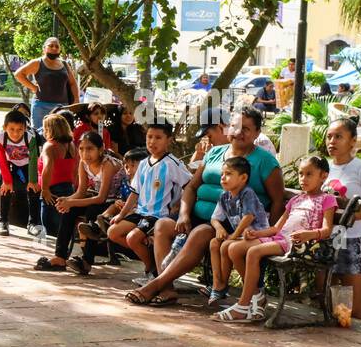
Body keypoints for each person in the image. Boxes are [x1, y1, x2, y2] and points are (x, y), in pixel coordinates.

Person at [127, 107, 284, 307]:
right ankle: (167, 290)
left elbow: (278, 200)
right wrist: (184, 215)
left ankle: (155, 284)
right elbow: (192, 186)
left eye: (246, 128)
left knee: (201, 233)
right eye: (235, 126)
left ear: (257, 133)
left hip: (231, 224)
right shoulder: (215, 153)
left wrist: (265, 233)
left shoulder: (264, 161)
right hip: (197, 215)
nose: (239, 132)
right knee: (163, 226)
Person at [218, 156, 336, 323]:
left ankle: (243, 306)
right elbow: (276, 229)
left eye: (309, 174)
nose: (303, 179)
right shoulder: (296, 200)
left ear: (323, 176)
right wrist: (256, 234)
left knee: (253, 251)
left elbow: (327, 230)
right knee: (233, 249)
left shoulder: (327, 199)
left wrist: (309, 234)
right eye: (301, 174)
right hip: (280, 238)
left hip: (297, 245)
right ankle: (257, 295)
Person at [105, 122, 190, 284]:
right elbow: (135, 192)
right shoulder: (144, 163)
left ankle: (152, 271)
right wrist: (121, 215)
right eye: (149, 137)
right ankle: (152, 260)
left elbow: (189, 186)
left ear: (169, 140)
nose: (152, 141)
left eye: (158, 138)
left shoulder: (173, 164)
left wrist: (179, 207)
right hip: (140, 213)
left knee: (132, 238)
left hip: (158, 215)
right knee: (113, 232)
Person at [323, 116, 361, 321]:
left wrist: (349, 217)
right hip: (326, 241)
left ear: (353, 141)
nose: (332, 141)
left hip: (352, 241)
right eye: (329, 136)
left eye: (338, 136)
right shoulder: (325, 169)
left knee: (355, 309)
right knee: (330, 304)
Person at [36, 130, 120, 275]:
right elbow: (81, 192)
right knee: (69, 211)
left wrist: (72, 202)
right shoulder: (83, 163)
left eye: (90, 149)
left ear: (101, 150)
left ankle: (87, 261)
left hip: (117, 202)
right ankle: (60, 256)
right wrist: (67, 200)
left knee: (93, 211)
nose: (85, 153)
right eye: (81, 149)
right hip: (100, 200)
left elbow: (101, 198)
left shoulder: (108, 165)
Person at [205, 155, 270, 306]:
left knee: (227, 246)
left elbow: (248, 217)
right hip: (241, 236)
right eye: (222, 174)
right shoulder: (224, 196)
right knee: (215, 243)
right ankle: (218, 285)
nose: (223, 177)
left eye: (228, 174)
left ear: (243, 178)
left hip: (257, 235)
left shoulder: (247, 193)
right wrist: (219, 228)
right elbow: (215, 218)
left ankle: (254, 290)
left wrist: (233, 235)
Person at [14, 37, 79, 137]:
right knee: (40, 136)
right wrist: (33, 87)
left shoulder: (65, 64)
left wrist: (76, 100)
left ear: (60, 49)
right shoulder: (37, 63)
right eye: (51, 45)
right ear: (44, 48)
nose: (54, 48)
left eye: (57, 46)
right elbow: (18, 74)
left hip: (62, 107)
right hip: (41, 106)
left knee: (62, 136)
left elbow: (73, 84)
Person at [0, 108, 40, 235]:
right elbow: (2, 160)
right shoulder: (0, 139)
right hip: (10, 165)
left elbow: (33, 160)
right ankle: (3, 222)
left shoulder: (30, 139)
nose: (15, 133)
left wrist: (32, 180)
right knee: (5, 189)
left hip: (27, 166)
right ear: (5, 127)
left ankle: (33, 223)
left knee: (34, 190)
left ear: (25, 128)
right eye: (11, 129)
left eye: (20, 129)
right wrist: (7, 181)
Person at [36, 113, 77, 238]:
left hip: (52, 190)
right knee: (64, 225)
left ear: (50, 129)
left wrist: (45, 189)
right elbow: (75, 168)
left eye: (44, 128)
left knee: (50, 228)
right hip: (68, 188)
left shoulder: (50, 146)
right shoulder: (71, 145)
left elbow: (48, 167)